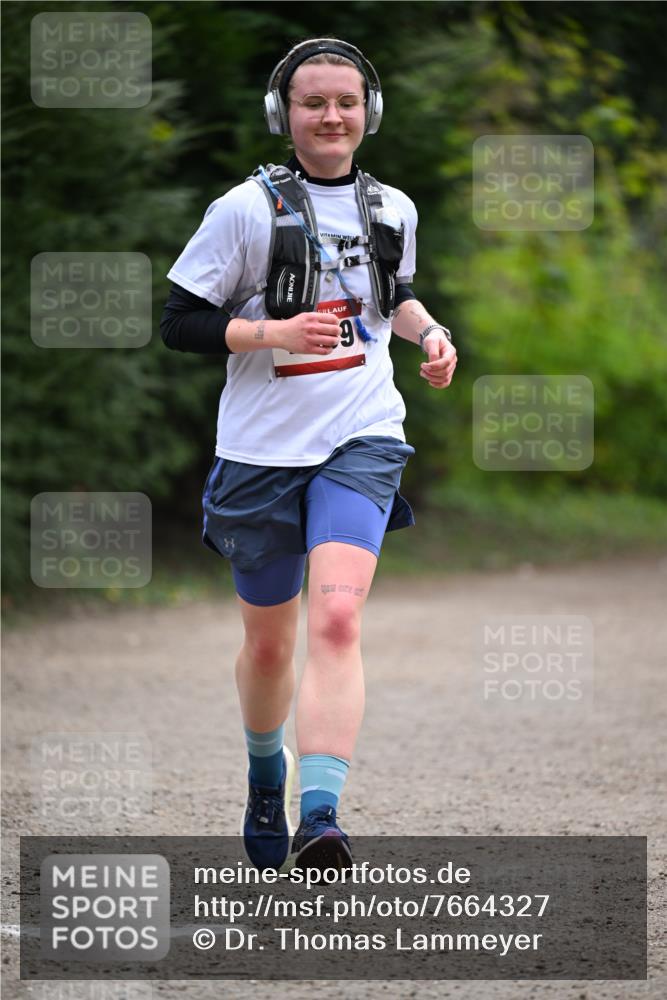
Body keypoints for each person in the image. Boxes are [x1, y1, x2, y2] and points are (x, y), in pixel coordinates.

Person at [160, 38, 457, 874]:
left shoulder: (391, 207)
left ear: (369, 111)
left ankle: (319, 815)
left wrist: (428, 333)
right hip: (260, 451)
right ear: (282, 113)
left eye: (346, 102)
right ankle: (266, 776)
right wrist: (271, 333)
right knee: (267, 643)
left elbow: (390, 296)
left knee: (334, 616)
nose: (331, 116)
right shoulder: (243, 211)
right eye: (312, 102)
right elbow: (178, 322)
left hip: (361, 435)